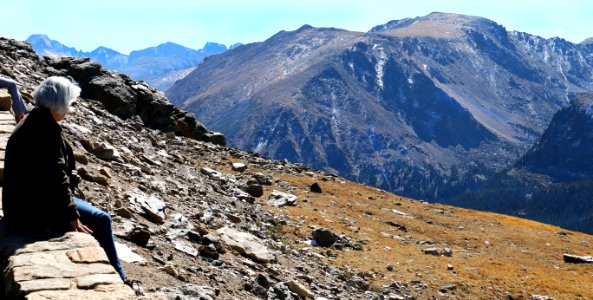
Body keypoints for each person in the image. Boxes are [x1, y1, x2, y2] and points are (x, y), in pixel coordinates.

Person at [1, 76, 141, 292]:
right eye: (69, 103)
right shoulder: (44, 130)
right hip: (32, 209)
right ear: (58, 102)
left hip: (25, 201)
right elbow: (56, 177)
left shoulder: (35, 120)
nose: (70, 109)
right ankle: (121, 280)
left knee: (96, 216)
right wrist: (71, 217)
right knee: (102, 220)